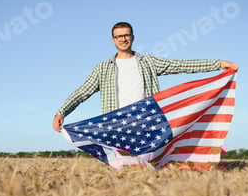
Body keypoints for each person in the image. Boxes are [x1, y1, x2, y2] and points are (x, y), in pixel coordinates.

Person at [52, 21, 238, 132]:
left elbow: (180, 65)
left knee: (146, 166)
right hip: (116, 122)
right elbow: (82, 92)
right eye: (119, 36)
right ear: (113, 40)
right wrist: (61, 112)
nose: (123, 39)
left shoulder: (148, 62)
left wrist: (218, 64)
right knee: (121, 167)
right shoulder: (103, 68)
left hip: (147, 119)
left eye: (126, 35)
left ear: (132, 37)